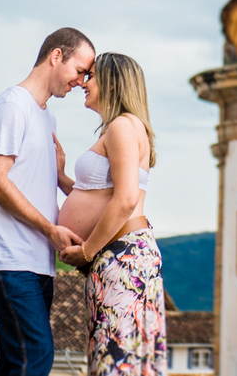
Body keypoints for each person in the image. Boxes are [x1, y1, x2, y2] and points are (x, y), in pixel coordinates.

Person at [0, 27, 95, 376]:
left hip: (37, 259)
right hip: (9, 256)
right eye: (80, 70)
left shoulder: (45, 115)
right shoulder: (12, 106)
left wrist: (59, 174)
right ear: (56, 56)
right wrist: (49, 229)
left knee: (14, 362)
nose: (82, 81)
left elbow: (30, 180)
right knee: (36, 356)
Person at [56, 52, 166, 376]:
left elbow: (126, 199)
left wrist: (86, 252)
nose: (83, 84)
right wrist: (63, 179)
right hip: (123, 257)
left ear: (113, 81)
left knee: (115, 362)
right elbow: (101, 195)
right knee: (123, 360)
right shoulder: (125, 127)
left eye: (91, 76)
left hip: (121, 258)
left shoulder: (120, 126)